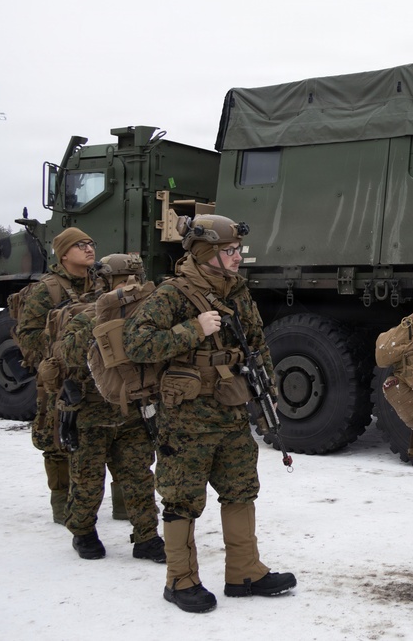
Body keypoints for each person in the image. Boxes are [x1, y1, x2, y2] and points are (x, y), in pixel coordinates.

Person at [122, 214, 295, 614]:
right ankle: (180, 579)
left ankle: (244, 572)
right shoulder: (173, 294)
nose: (237, 258)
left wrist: (265, 391)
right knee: (182, 497)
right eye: (229, 252)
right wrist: (193, 330)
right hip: (186, 418)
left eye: (238, 251)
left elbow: (257, 344)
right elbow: (137, 344)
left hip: (232, 410)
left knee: (241, 489)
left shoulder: (236, 292)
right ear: (206, 254)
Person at [59, 254, 165, 562]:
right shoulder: (84, 314)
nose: (130, 286)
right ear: (105, 283)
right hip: (90, 417)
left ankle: (146, 537)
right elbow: (70, 355)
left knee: (139, 477)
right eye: (123, 281)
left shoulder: (146, 317)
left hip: (131, 414)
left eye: (135, 279)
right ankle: (83, 532)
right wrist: (103, 318)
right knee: (88, 482)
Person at [14, 227, 96, 523]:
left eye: (90, 243)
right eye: (81, 245)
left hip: (95, 378)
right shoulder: (46, 289)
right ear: (64, 254)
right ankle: (62, 504)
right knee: (56, 439)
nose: (89, 249)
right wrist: (58, 359)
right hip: (59, 379)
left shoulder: (99, 284)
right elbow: (27, 337)